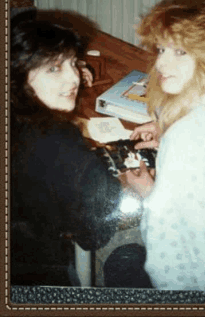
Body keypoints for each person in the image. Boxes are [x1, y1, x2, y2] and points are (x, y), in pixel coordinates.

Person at [10, 18, 125, 286]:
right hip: (37, 272)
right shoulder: (60, 143)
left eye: (73, 63)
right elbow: (96, 234)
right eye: (53, 68)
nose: (74, 78)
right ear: (17, 75)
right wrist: (121, 185)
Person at [123, 0, 205, 291]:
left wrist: (148, 192)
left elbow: (170, 257)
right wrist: (165, 126)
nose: (160, 62)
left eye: (180, 52)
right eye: (161, 49)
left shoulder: (186, 138)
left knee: (121, 259)